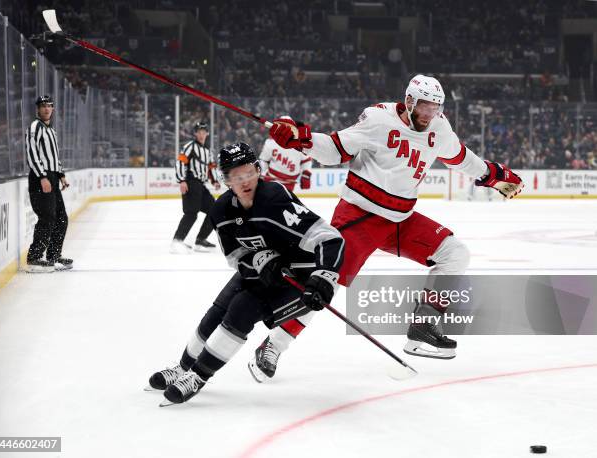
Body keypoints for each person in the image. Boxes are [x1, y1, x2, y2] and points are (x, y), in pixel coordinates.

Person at [248, 74, 524, 380]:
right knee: (324, 284)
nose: (429, 114)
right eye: (423, 107)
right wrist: (304, 139)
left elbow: (461, 158)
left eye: (435, 108)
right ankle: (273, 344)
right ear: (408, 101)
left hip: (400, 219)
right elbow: (336, 149)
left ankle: (423, 325)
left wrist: (493, 174)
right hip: (359, 217)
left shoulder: (439, 127)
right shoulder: (378, 119)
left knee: (455, 254)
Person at [148, 142, 344, 405]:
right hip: (260, 272)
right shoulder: (221, 211)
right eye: (236, 176)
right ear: (226, 180)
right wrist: (260, 260)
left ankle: (197, 376)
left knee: (242, 309)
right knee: (217, 311)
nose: (245, 180)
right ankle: (182, 368)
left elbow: (330, 240)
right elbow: (235, 256)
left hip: (299, 278)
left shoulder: (275, 199)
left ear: (258, 169)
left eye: (249, 172)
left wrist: (322, 279)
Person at [25, 95, 73, 273]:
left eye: (49, 106)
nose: (46, 109)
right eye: (43, 106)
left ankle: (53, 256)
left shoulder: (51, 131)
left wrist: (61, 175)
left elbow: (54, 156)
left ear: (53, 109)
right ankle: (34, 258)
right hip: (41, 178)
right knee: (47, 218)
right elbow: (31, 153)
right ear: (38, 109)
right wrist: (42, 176)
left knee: (61, 218)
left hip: (52, 177)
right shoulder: (34, 127)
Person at [170, 121, 219, 254]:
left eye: (204, 132)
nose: (202, 134)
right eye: (199, 132)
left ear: (207, 133)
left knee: (214, 211)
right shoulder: (189, 146)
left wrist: (215, 181)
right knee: (191, 213)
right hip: (191, 183)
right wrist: (182, 180)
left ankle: (200, 240)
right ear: (195, 133)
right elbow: (180, 162)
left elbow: (211, 167)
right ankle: (177, 242)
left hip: (200, 186)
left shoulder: (207, 151)